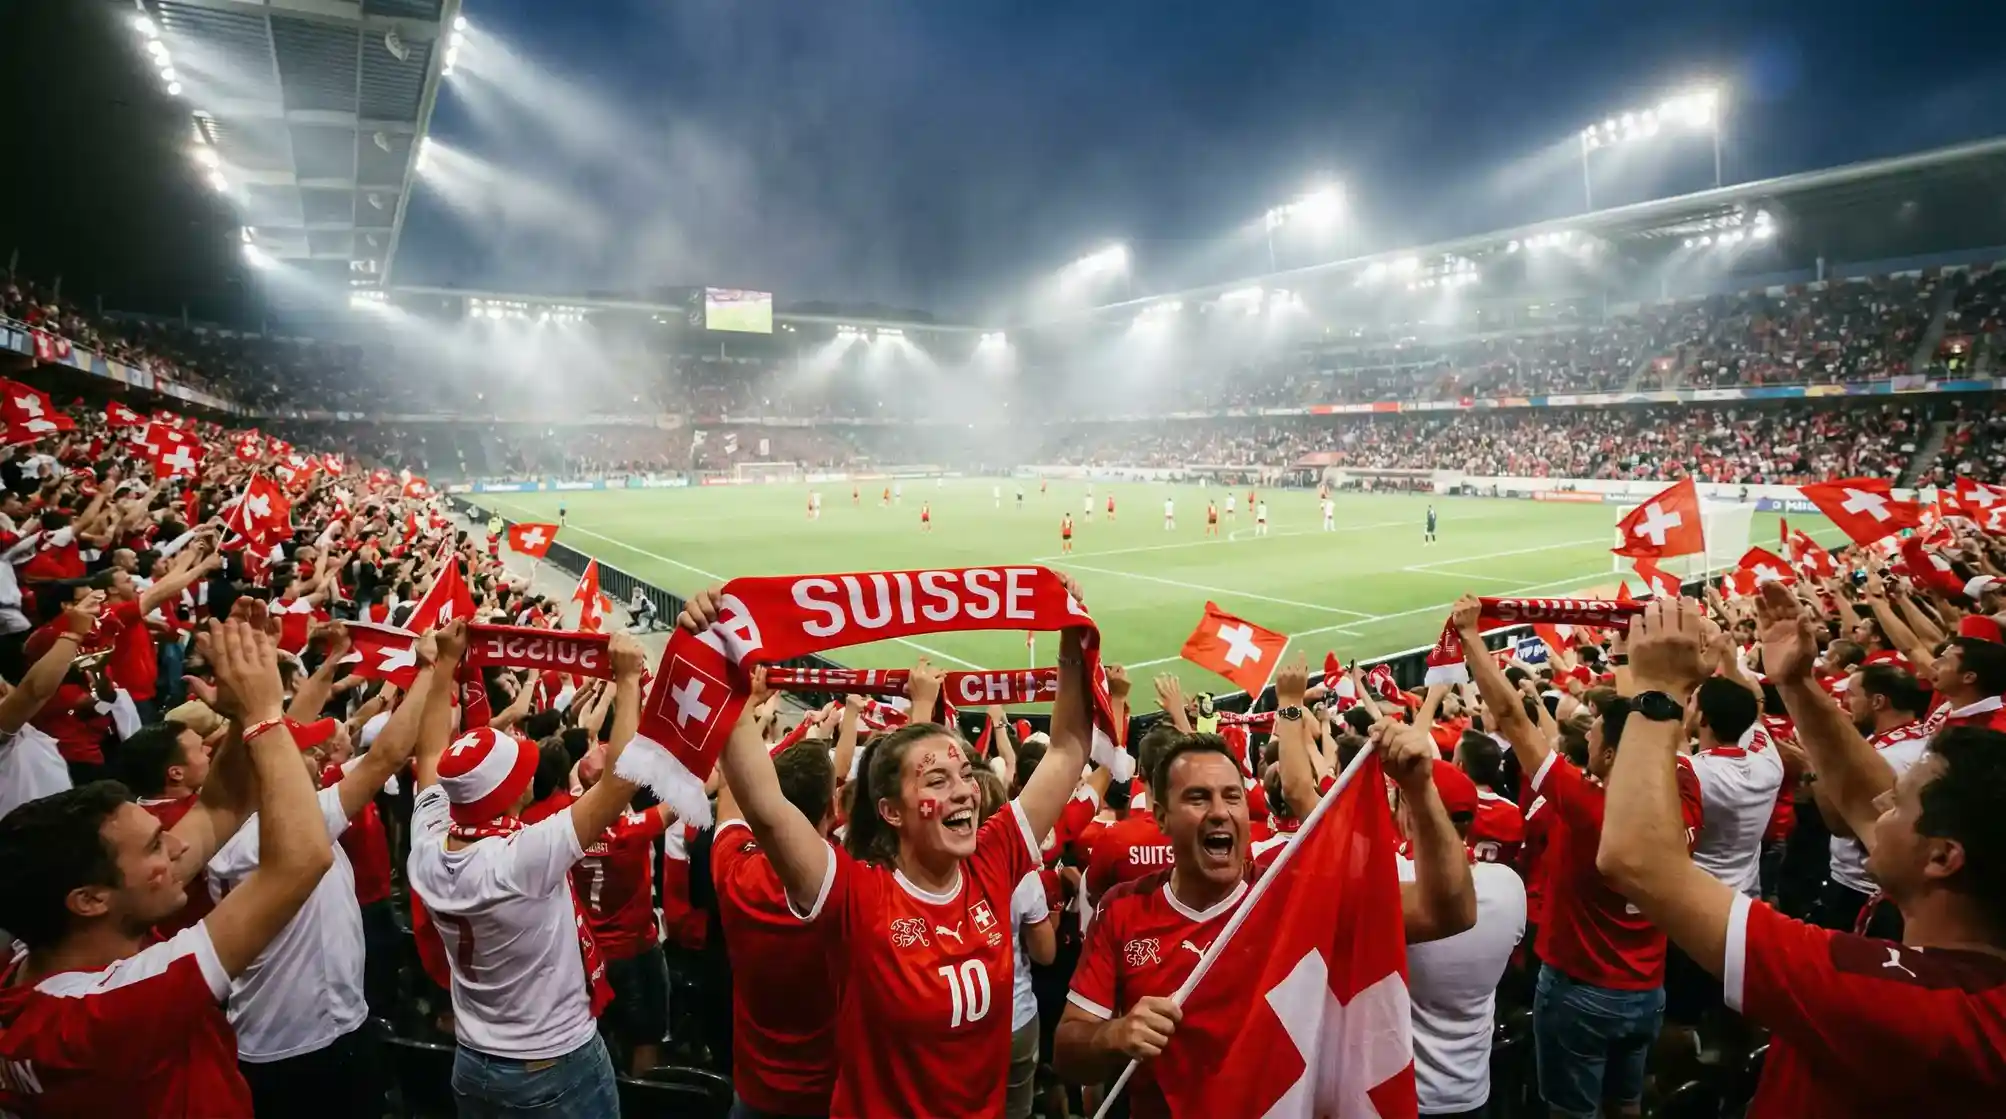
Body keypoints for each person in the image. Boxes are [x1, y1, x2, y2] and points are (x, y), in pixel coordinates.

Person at [693, 575, 1100, 1119]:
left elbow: (1068, 750)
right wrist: (717, 659)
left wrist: (1071, 640)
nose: (963, 789)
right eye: (936, 781)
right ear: (889, 810)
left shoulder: (993, 855)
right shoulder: (857, 895)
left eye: (963, 772)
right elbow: (765, 809)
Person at [1598, 588, 2006, 1117]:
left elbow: (1634, 858)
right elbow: (1864, 800)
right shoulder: (1970, 960)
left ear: (1942, 858)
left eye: (1900, 803)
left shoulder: (1890, 996)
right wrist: (1797, 682)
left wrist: (1658, 693)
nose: (1880, 802)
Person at [1052, 720, 1476, 1119]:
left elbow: (1449, 913)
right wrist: (1117, 1035)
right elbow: (1068, 1054)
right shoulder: (1125, 910)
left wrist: (1420, 789)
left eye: (1231, 796)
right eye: (1198, 798)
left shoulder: (1292, 894)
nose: (1220, 812)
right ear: (1162, 817)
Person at [0, 619, 336, 1117]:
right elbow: (302, 860)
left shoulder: (37, 961)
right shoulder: (106, 1011)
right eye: (156, 847)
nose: (178, 852)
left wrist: (240, 714)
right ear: (90, 899)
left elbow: (219, 807)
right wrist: (266, 714)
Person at [1452, 594, 1702, 1119]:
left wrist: (1471, 638)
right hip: (1647, 989)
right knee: (1626, 1103)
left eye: (1592, 737)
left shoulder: (1590, 805)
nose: (1583, 739)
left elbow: (1511, 719)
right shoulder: (1684, 790)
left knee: (1571, 1111)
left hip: (1581, 992)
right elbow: (1660, 733)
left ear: (1611, 754)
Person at [405, 624, 650, 1117]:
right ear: (508, 796)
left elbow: (430, 752)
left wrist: (442, 666)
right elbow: (619, 784)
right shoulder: (520, 859)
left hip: (474, 1061)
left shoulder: (427, 844)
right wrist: (627, 681)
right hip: (552, 1067)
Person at [209, 632, 439, 1118]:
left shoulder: (233, 828)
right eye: (303, 755)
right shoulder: (287, 825)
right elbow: (386, 756)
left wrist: (330, 663)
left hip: (288, 1032)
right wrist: (430, 672)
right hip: (310, 1041)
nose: (315, 759)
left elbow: (289, 728)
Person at [714, 739, 843, 1119]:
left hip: (755, 1088)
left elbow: (729, 791)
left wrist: (744, 703)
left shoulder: (734, 869)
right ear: (832, 809)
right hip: (828, 1090)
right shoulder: (852, 882)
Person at [1817, 661, 1930, 932]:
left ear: (1878, 701)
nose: (1845, 702)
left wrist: (1819, 757)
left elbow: (1840, 822)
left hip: (1860, 886)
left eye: (1852, 695)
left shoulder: (1888, 757)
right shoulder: (1918, 738)